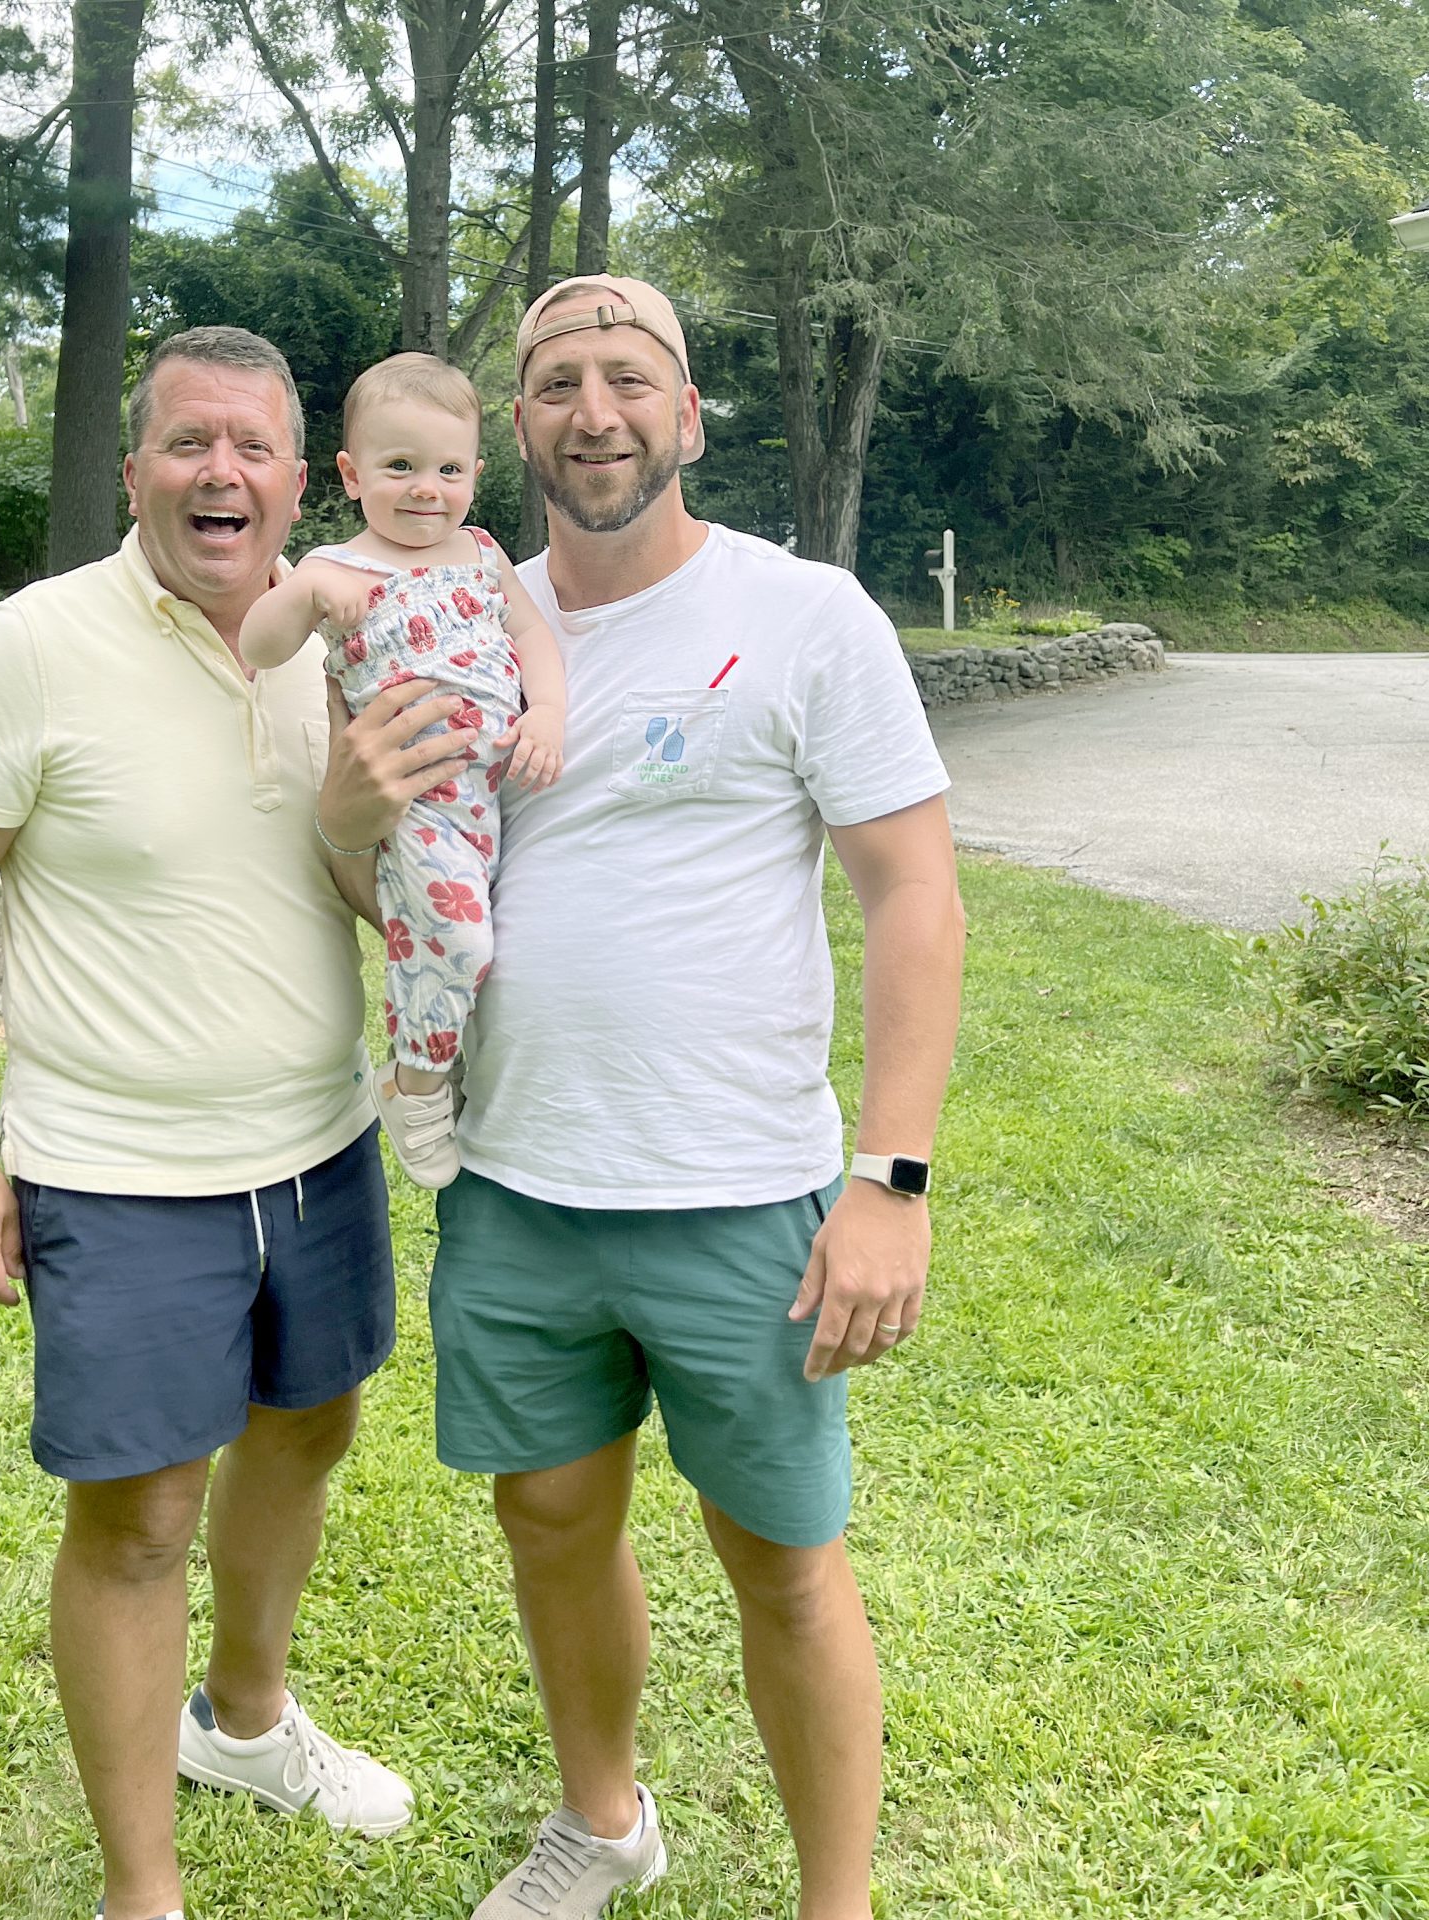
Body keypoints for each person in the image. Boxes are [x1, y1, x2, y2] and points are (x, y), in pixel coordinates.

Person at [0, 325, 474, 1920]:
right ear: (133, 466)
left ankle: (249, 1720)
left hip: (324, 1144)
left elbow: (371, 887)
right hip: (118, 1168)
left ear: (303, 478)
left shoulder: (353, 637)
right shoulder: (32, 646)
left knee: (311, 1428)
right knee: (142, 1515)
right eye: (190, 443)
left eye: (254, 447)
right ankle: (140, 1891)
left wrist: (366, 827)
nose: (224, 473)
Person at [429, 276, 967, 1920]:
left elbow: (914, 897)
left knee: (784, 1564)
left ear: (689, 415)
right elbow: (381, 865)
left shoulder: (807, 616)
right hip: (517, 1183)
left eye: (629, 377)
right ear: (516, 424)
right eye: (557, 383)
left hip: (743, 1195)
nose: (594, 411)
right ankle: (604, 1823)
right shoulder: (460, 622)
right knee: (550, 1520)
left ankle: (835, 1905)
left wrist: (891, 1180)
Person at [243, 352, 567, 1189]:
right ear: (352, 475)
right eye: (400, 467)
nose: (427, 489)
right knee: (457, 937)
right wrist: (305, 594)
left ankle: (444, 1053)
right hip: (415, 801)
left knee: (475, 947)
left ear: (476, 475)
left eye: (448, 470)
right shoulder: (335, 567)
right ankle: (415, 1085)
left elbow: (533, 637)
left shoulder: (483, 554)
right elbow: (259, 645)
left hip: (492, 793)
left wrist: (547, 711)